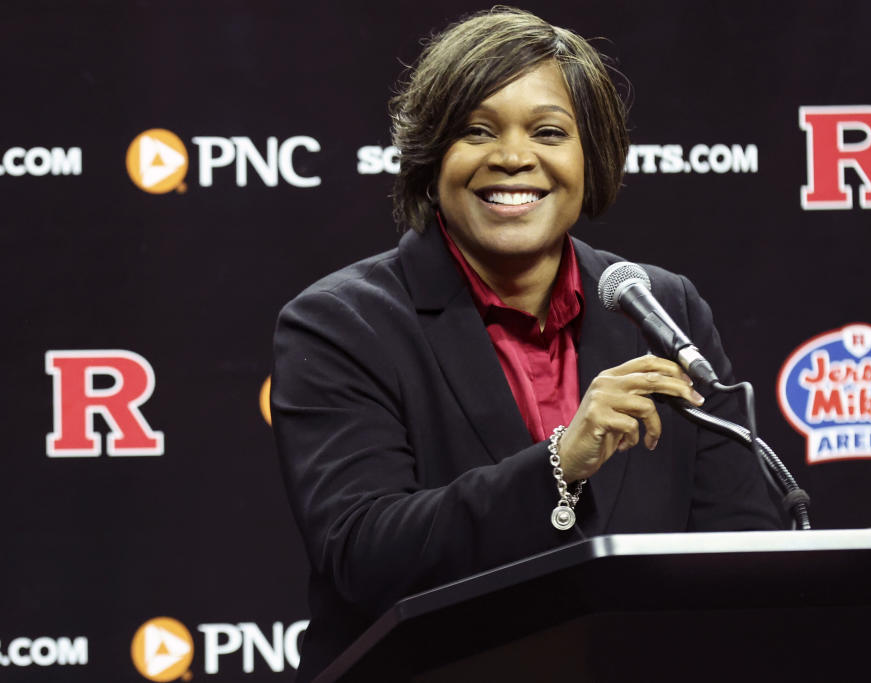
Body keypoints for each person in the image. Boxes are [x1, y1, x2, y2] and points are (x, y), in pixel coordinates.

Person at [271, 7, 782, 680]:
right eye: (476, 131)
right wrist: (560, 463)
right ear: (432, 157)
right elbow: (366, 554)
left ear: (589, 155)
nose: (513, 157)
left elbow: (736, 542)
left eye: (548, 132)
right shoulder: (339, 322)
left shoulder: (661, 308)